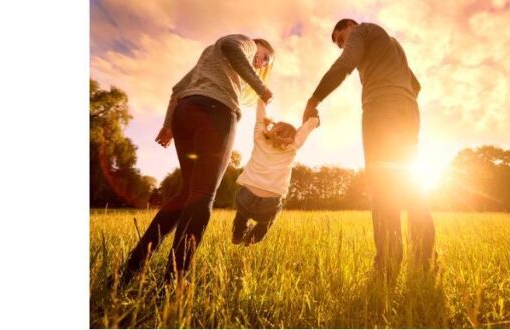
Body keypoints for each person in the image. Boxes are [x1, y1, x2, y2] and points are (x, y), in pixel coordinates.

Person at [117, 34, 275, 288]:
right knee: (202, 196)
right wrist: (261, 88)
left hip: (186, 113)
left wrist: (169, 124)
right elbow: (230, 45)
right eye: (264, 56)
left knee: (187, 194)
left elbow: (178, 89)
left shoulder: (211, 59)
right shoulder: (244, 42)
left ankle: (131, 269)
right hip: (216, 114)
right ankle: (174, 281)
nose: (262, 62)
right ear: (256, 45)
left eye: (266, 63)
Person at [303, 19, 435, 278]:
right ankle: (424, 263)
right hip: (408, 109)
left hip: (381, 107)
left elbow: (345, 64)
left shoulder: (362, 31)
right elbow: (416, 85)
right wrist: (400, 97)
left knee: (383, 186)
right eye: (340, 44)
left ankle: (387, 267)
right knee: (411, 186)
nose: (343, 46)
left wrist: (314, 98)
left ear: (351, 26)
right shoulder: (392, 44)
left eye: (342, 39)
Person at [231, 100, 320, 245]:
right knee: (268, 220)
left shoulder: (260, 138)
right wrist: (314, 120)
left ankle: (237, 234)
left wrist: (262, 100)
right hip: (269, 204)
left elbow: (260, 118)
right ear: (292, 137)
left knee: (242, 213)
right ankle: (253, 239)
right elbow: (305, 130)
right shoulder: (292, 147)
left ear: (274, 129)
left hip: (245, 198)